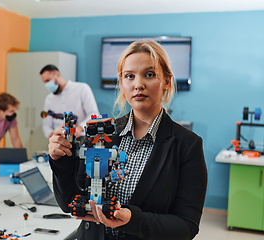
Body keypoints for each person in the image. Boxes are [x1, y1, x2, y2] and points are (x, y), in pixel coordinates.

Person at [48, 40, 208, 240]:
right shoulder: (101, 133)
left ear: (166, 81)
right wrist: (61, 159)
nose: (138, 84)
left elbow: (186, 226)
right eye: (129, 76)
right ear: (122, 82)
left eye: (149, 75)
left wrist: (133, 220)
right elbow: (68, 202)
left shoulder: (186, 145)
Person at [40, 64, 99, 140]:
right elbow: (46, 124)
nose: (47, 84)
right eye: (44, 82)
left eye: (48, 80)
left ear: (57, 75)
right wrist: (51, 134)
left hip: (81, 138)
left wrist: (80, 127)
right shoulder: (49, 99)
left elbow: (94, 114)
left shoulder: (82, 89)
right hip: (59, 140)